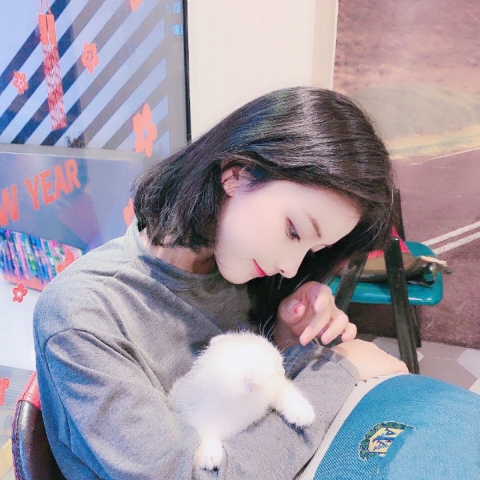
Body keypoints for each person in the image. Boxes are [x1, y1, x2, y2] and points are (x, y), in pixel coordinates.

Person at [33, 87, 407, 480]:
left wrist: (286, 336)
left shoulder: (237, 271)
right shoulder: (85, 314)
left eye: (314, 250)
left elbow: (247, 413)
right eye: (294, 231)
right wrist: (339, 370)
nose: (290, 267)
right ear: (237, 173)